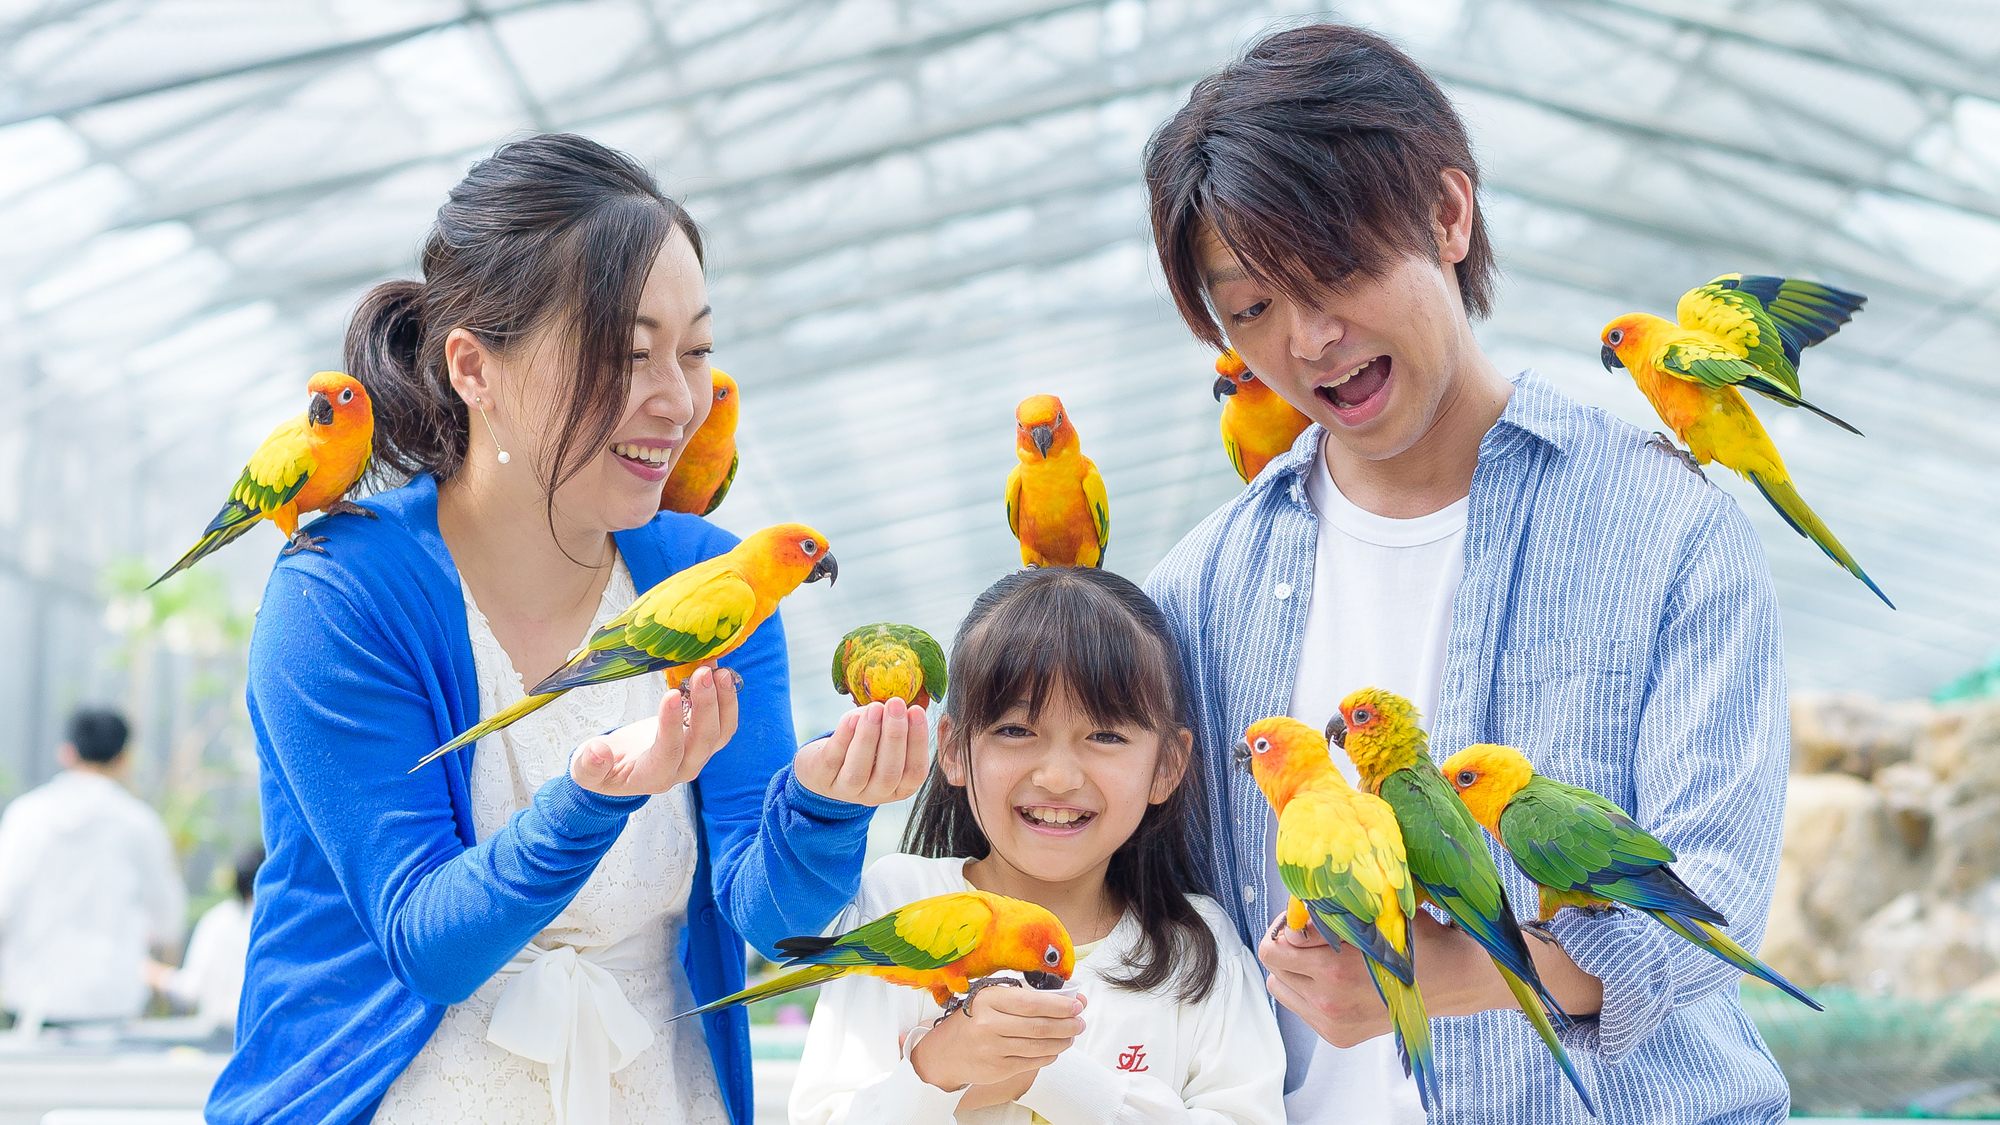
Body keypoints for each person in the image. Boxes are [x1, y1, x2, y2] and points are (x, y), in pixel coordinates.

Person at [1141, 24, 1793, 1124]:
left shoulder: (1665, 529)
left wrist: (1444, 974)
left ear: (1448, 216)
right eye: (1249, 308)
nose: (1307, 340)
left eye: (1334, 270)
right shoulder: (1196, 593)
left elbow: (1708, 904)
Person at [205, 134, 929, 1125]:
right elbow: (428, 940)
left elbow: (767, 912)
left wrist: (823, 804)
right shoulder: (343, 592)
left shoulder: (713, 578)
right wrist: (591, 796)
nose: (677, 400)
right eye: (623, 356)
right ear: (474, 368)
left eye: (696, 351)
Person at [791, 567, 1286, 1125]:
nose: (1057, 777)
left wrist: (1044, 1075)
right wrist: (936, 1068)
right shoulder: (900, 898)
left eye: (1105, 736)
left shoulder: (1200, 948)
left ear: (1167, 765)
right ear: (952, 749)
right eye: (1015, 731)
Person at [0, 708, 185, 1029]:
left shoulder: (26, 816)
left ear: (66, 752)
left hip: (32, 998)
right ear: (125, 759)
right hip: (109, 999)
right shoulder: (139, 823)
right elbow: (168, 917)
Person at [147, 844, 263, 1037]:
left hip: (219, 1037)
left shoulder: (218, 920)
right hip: (266, 1037)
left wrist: (151, 972)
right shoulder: (285, 922)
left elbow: (191, 989)